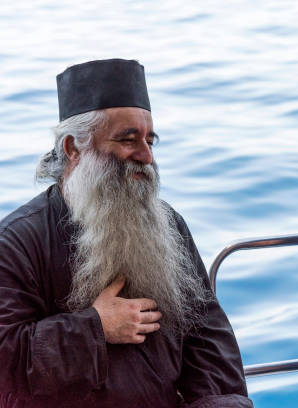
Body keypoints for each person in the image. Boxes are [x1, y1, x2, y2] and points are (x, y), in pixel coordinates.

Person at [0, 59, 253, 407]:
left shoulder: (168, 223)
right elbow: (6, 364)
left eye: (150, 140)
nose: (146, 156)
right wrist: (94, 328)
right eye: (127, 140)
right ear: (74, 148)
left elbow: (207, 336)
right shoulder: (16, 242)